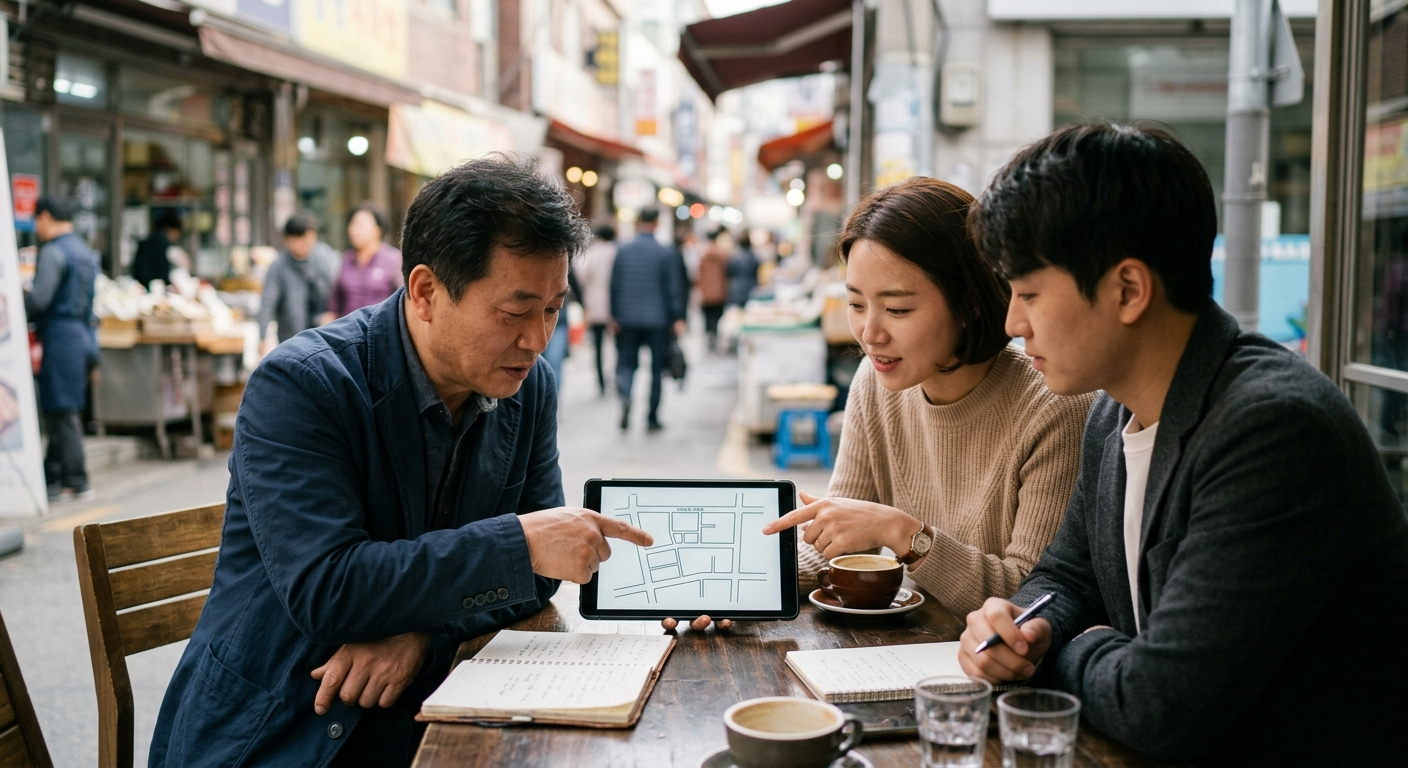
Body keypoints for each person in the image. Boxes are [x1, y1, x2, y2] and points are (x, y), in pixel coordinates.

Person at [149, 157, 653, 768]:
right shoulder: (302, 385)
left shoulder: (529, 386)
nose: (537, 339)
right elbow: (327, 590)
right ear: (425, 292)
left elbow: (540, 573)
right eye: (515, 311)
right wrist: (516, 545)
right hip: (276, 723)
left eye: (553, 309)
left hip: (422, 704)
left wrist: (424, 636)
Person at [958, 123, 1408, 766]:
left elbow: (1162, 705)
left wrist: (1063, 647)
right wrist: (1017, 624)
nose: (1011, 322)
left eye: (1028, 293)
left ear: (1129, 290)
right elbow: (1065, 575)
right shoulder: (1114, 411)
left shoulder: (1273, 429)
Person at [758, 177, 1092, 619]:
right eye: (856, 305)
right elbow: (835, 548)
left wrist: (903, 533)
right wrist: (744, 588)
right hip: (902, 651)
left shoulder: (1053, 405)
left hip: (988, 671)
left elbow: (1030, 597)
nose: (870, 334)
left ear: (970, 302)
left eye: (897, 309)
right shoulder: (874, 382)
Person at [24, 196, 99, 501]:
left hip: (59, 334)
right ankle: (52, 478)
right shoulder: (85, 251)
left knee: (60, 409)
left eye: (36, 221)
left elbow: (40, 299)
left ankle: (77, 478)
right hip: (82, 334)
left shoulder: (53, 252)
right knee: (64, 407)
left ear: (44, 217)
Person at [609, 208, 685, 432]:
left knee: (627, 364)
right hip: (658, 320)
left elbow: (614, 286)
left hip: (627, 318)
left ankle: (626, 395)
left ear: (639, 221)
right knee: (656, 370)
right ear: (657, 222)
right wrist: (678, 317)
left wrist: (614, 315)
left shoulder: (623, 250)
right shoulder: (665, 252)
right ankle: (652, 417)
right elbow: (673, 289)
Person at [257, 213, 334, 354]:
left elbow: (338, 291)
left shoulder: (326, 257)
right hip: (291, 338)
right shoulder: (279, 266)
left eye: (308, 239)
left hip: (325, 334)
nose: (305, 244)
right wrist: (262, 337)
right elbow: (267, 303)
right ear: (287, 240)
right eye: (299, 239)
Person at [331, 203, 403, 317]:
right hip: (348, 330)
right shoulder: (346, 259)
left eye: (360, 225)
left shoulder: (394, 260)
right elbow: (335, 304)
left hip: (380, 329)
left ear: (377, 230)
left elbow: (403, 301)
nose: (354, 230)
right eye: (352, 224)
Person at [575, 224, 617, 395]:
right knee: (617, 345)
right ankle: (617, 377)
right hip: (616, 307)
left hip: (595, 306)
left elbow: (579, 276)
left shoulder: (591, 254)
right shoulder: (617, 252)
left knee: (598, 346)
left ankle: (601, 381)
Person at [131, 210, 182, 289]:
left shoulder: (148, 239)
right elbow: (162, 271)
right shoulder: (163, 243)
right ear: (171, 229)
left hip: (140, 284)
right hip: (152, 285)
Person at [697, 228, 731, 349]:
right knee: (717, 315)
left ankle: (709, 334)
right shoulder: (722, 254)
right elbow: (726, 272)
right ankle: (715, 334)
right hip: (719, 290)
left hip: (706, 291)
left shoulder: (703, 255)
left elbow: (699, 274)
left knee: (707, 316)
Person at [726, 229, 758, 308]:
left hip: (738, 287)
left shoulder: (735, 257)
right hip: (751, 286)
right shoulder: (753, 256)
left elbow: (729, 271)